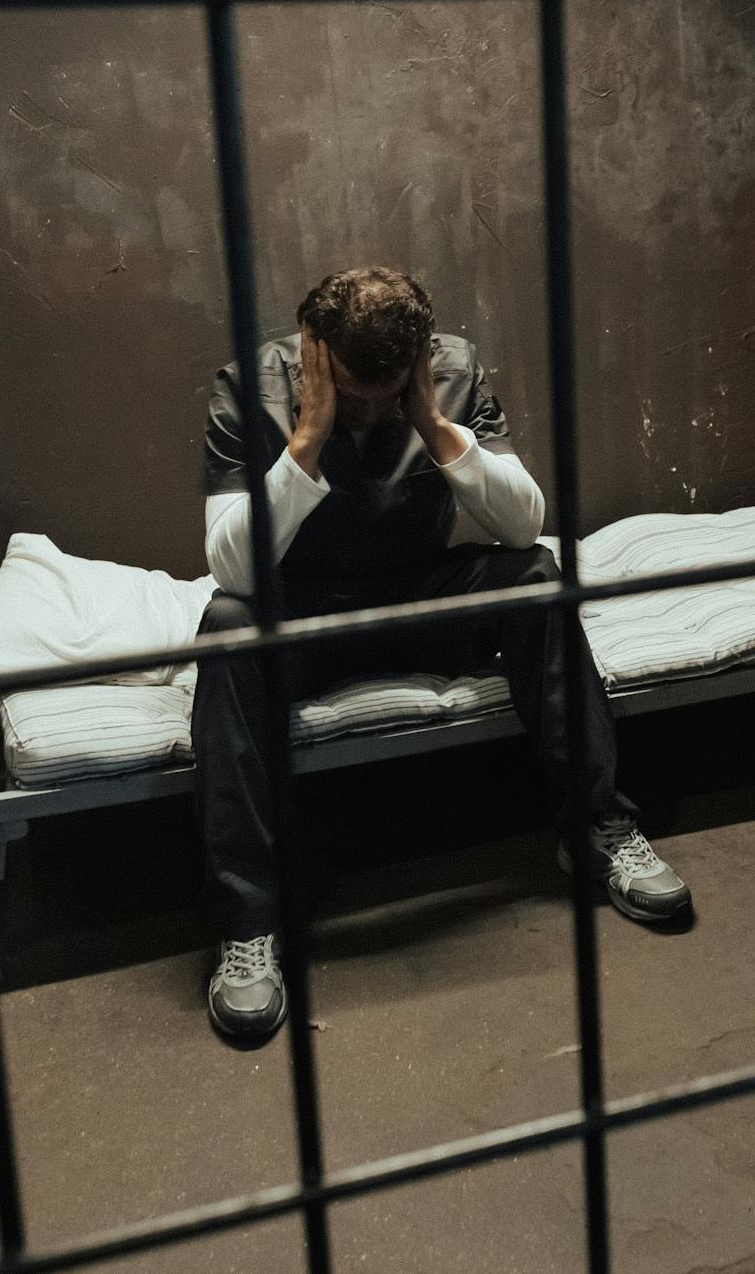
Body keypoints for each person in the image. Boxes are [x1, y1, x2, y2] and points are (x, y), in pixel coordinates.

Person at [193, 266, 691, 1040]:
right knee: (225, 624)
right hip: (306, 608)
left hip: (418, 591)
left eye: (386, 392)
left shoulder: (450, 373)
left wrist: (427, 417)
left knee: (536, 576)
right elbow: (232, 569)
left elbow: (524, 524)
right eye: (353, 393)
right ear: (313, 352)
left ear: (419, 362)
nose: (369, 412)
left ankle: (597, 830)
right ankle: (248, 921)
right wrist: (310, 437)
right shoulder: (246, 384)